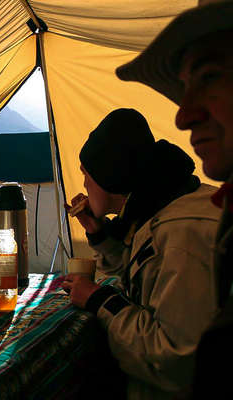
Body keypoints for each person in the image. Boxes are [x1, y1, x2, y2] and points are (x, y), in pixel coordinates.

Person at [115, 1, 233, 397]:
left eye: (211, 76)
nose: (183, 118)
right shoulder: (210, 213)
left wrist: (101, 303)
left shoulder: (184, 228)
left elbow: (179, 360)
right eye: (185, 88)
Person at [62, 108, 220, 400]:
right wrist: (98, 232)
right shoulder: (168, 205)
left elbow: (174, 361)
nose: (83, 185)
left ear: (109, 176)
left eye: (86, 175)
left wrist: (100, 300)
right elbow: (148, 275)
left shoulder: (183, 234)